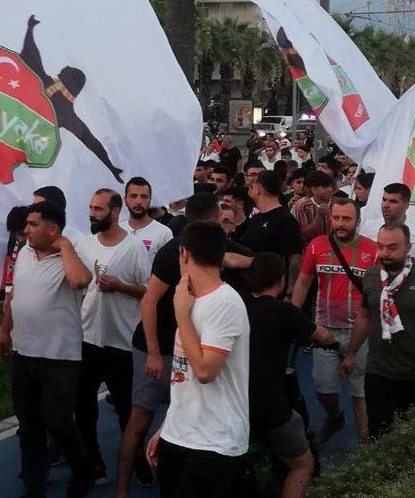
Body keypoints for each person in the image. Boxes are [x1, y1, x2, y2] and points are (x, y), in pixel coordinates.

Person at [145, 221, 253, 498]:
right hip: (179, 435)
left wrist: (181, 314)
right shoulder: (190, 298)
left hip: (214, 443)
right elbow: (183, 377)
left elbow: (205, 372)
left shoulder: (223, 302)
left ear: (183, 254)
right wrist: (167, 427)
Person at [0, 201, 94, 498]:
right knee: (28, 424)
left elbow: (81, 280)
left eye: (33, 224)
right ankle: (34, 483)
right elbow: (14, 294)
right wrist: (4, 329)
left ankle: (83, 470)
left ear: (52, 230)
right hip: (24, 351)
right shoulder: (23, 253)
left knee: (57, 420)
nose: (26, 230)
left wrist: (64, 246)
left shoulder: (70, 255)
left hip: (59, 355)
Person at [342, 224, 415, 438]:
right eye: (380, 246)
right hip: (378, 370)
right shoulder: (371, 276)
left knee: (414, 434)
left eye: (392, 247)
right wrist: (351, 354)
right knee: (378, 432)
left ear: (408, 247)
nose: (385, 253)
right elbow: (365, 316)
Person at [244, 253, 339, 498]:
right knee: (303, 465)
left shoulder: (237, 305)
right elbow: (322, 336)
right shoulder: (285, 312)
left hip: (236, 404)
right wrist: (335, 343)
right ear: (281, 281)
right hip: (271, 407)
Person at [74, 189, 150, 486]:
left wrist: (121, 287)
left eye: (98, 209)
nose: (92, 214)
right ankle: (94, 462)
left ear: (115, 212)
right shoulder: (85, 244)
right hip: (87, 337)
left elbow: (148, 290)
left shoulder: (134, 247)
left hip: (122, 341)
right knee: (83, 405)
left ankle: (136, 457)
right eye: (91, 208)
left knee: (127, 408)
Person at [290, 198, 377, 443]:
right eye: (336, 218)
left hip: (360, 332)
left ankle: (366, 445)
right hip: (324, 332)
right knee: (323, 387)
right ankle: (335, 417)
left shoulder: (373, 250)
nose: (340, 223)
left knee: (360, 390)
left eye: (346, 219)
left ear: (358, 221)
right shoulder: (317, 246)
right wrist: (293, 315)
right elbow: (303, 282)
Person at [19, 15, 124, 182]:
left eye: (65, 71)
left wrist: (30, 29)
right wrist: (30, 29)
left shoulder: (61, 105)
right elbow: (31, 55)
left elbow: (31, 55)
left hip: (17, 135)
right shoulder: (68, 114)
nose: (62, 69)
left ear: (69, 81)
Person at [242, 171, 304, 287]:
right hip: (250, 285)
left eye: (253, 185)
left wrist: (291, 290)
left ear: (258, 189)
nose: (249, 188)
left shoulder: (286, 220)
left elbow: (295, 260)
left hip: (272, 287)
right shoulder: (255, 218)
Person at [122, 177, 173, 258]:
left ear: (150, 200)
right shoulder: (116, 230)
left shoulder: (164, 233)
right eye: (133, 196)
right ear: (125, 200)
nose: (138, 201)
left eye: (144, 196)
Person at [290, 170, 335, 245]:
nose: (330, 189)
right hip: (312, 248)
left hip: (336, 247)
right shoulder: (303, 206)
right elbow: (305, 235)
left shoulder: (338, 203)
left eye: (331, 186)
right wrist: (319, 216)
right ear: (314, 190)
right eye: (325, 187)